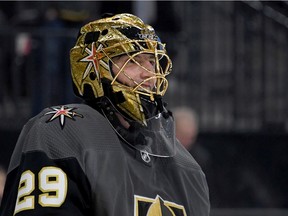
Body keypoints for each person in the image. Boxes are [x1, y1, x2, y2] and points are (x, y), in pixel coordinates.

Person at [0, 13, 210, 215]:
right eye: (133, 61)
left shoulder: (186, 166)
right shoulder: (62, 131)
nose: (150, 73)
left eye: (152, 61)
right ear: (96, 69)